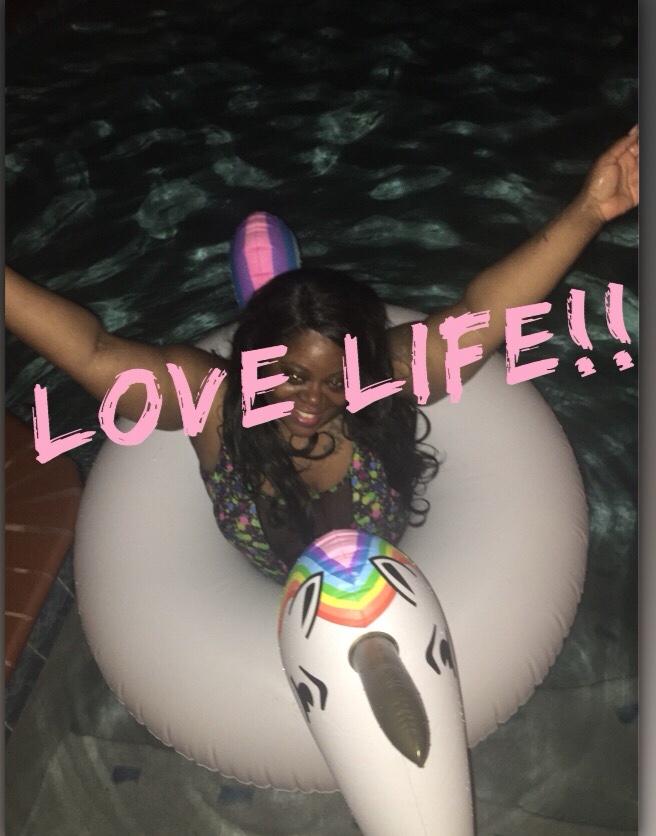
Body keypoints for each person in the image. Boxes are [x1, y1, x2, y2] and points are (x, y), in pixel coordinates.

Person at [5, 127, 639, 584]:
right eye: (292, 374)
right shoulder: (213, 403)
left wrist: (589, 210)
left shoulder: (381, 380)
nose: (314, 400)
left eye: (337, 379)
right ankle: (270, 292)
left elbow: (482, 313)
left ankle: (272, 286)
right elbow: (93, 349)